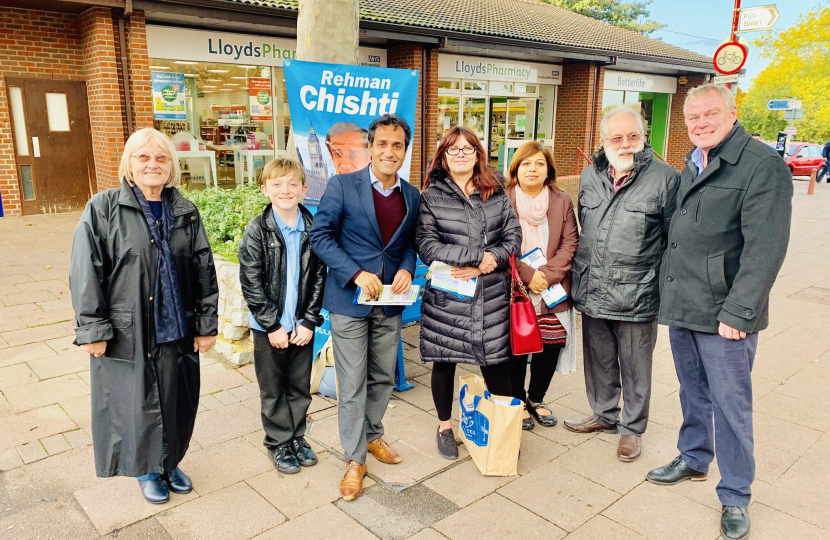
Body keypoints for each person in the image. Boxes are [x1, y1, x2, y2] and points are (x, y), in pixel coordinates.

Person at [647, 84, 793, 540]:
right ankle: (693, 459)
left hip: (725, 316)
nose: (700, 123)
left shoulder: (761, 164)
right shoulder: (694, 162)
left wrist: (740, 312)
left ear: (733, 114)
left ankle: (735, 494)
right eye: (693, 118)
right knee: (693, 393)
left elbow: (765, 249)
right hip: (685, 305)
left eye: (710, 114)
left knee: (732, 406)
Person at [69, 127, 218, 504]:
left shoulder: (185, 210)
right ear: (129, 165)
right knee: (136, 403)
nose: (153, 164)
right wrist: (93, 328)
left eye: (161, 158)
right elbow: (86, 270)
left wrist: (206, 323)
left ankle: (170, 462)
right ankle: (148, 468)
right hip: (128, 327)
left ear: (172, 166)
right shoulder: (102, 208)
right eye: (143, 157)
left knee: (175, 398)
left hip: (176, 325)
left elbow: (204, 268)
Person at [309, 114, 420, 502]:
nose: (390, 151)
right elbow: (319, 237)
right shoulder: (342, 186)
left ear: (404, 152)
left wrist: (407, 268)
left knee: (383, 378)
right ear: (370, 147)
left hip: (390, 304)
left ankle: (372, 436)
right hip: (349, 301)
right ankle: (354, 458)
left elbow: (408, 244)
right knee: (352, 382)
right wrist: (355, 273)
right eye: (383, 144)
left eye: (398, 146)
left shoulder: (411, 195)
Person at [565, 105, 679, 462]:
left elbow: (672, 240)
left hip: (637, 291)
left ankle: (632, 428)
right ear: (603, 141)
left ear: (644, 138)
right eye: (617, 137)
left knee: (634, 365)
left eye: (633, 136)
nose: (625, 144)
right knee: (598, 360)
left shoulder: (665, 178)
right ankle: (603, 414)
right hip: (593, 286)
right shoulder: (589, 175)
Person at [417, 125, 522, 460]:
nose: (460, 154)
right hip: (449, 295)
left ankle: (506, 429)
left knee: (495, 364)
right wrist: (477, 258)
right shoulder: (431, 196)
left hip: (490, 294)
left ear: (477, 153)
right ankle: (445, 426)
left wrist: (492, 261)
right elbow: (426, 245)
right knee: (444, 361)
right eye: (453, 149)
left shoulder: (496, 190)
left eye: (467, 148)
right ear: (443, 157)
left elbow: (514, 236)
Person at [238, 158, 326, 475]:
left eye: (292, 184)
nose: (285, 190)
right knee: (273, 390)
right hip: (269, 329)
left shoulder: (314, 229)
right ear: (265, 190)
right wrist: (271, 324)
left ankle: (297, 437)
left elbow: (319, 278)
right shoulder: (257, 230)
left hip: (301, 327)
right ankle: (278, 442)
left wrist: (309, 321)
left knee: (299, 388)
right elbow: (251, 281)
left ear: (303, 189)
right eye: (277, 184)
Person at [505, 142, 579, 431]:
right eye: (526, 163)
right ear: (516, 168)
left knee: (551, 344)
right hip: (514, 287)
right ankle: (517, 400)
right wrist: (526, 274)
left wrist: (545, 276)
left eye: (539, 163)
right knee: (516, 346)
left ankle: (536, 399)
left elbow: (570, 243)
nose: (532, 169)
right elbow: (497, 244)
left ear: (548, 168)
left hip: (552, 287)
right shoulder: (502, 198)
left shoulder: (561, 200)